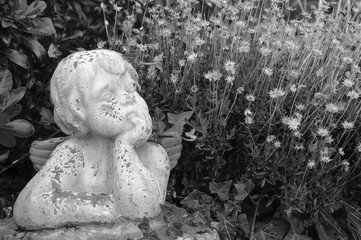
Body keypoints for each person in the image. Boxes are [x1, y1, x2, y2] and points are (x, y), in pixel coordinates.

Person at [13, 50, 181, 230]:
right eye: (108, 96)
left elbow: (143, 213)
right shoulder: (73, 154)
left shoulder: (153, 155)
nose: (127, 98)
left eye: (130, 87)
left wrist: (124, 146)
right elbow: (27, 208)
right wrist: (99, 206)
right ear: (78, 111)